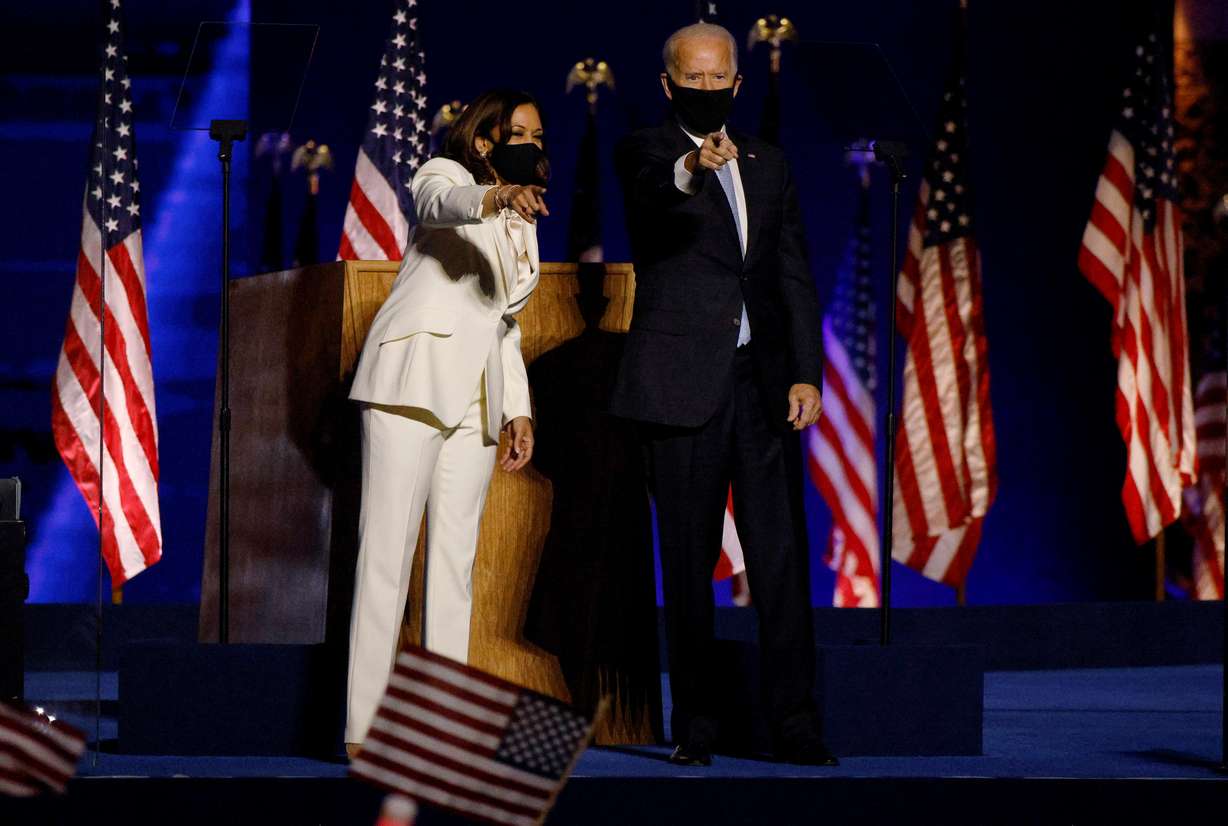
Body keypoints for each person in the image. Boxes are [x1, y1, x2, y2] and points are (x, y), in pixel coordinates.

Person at [612, 22, 836, 767]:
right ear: (668, 83)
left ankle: (797, 726)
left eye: (719, 80)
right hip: (679, 388)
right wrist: (692, 166)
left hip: (762, 386)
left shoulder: (770, 163)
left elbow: (791, 271)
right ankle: (697, 726)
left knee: (781, 559)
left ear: (739, 84)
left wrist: (807, 370)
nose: (706, 91)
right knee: (687, 560)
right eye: (692, 79)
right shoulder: (646, 150)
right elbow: (655, 196)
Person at [344, 89, 550, 752]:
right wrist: (495, 198)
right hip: (411, 381)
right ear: (486, 140)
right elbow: (439, 205)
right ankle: (367, 730)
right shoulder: (447, 173)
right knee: (387, 557)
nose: (535, 144)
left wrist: (517, 408)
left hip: (477, 398)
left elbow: (503, 317)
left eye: (540, 135)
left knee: (455, 566)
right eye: (520, 132)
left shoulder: (526, 216)